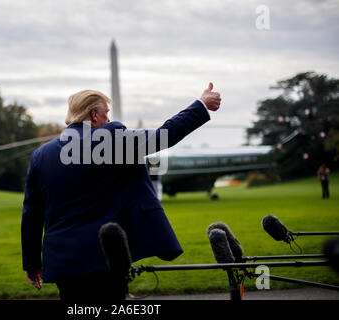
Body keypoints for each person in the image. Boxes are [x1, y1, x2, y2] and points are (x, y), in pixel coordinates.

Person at [21, 83, 221, 301]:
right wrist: (202, 105)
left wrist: (31, 264)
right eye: (106, 114)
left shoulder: (40, 156)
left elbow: (32, 215)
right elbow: (164, 135)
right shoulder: (110, 139)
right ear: (94, 114)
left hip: (62, 263)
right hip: (104, 258)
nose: (108, 119)